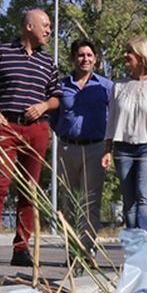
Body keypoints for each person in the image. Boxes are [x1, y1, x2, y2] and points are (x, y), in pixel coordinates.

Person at [0, 9, 60, 267]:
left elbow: (57, 96)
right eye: (45, 25)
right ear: (29, 26)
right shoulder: (1, 54)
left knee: (29, 189)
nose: (49, 30)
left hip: (36, 129)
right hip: (6, 127)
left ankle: (21, 248)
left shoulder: (48, 62)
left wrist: (44, 106)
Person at [102, 37, 147, 232]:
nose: (125, 55)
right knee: (128, 199)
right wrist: (107, 150)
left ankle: (142, 240)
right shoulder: (118, 86)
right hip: (123, 148)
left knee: (143, 194)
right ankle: (134, 245)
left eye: (130, 52)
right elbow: (112, 120)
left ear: (142, 57)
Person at [54, 39, 113, 247]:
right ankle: (72, 248)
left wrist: (109, 148)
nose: (85, 59)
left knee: (91, 201)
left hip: (95, 148)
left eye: (89, 55)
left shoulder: (106, 87)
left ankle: (87, 248)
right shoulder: (61, 85)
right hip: (67, 148)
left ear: (95, 59)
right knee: (68, 201)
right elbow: (53, 115)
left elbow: (114, 117)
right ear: (73, 58)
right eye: (80, 55)